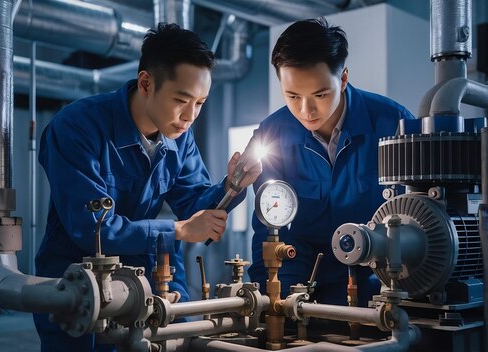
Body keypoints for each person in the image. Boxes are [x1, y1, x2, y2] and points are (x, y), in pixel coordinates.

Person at [33, 23, 261, 351]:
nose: (190, 116)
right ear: (145, 83)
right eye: (182, 100)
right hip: (79, 281)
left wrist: (234, 185)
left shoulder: (179, 139)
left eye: (200, 103)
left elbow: (196, 207)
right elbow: (93, 230)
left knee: (178, 343)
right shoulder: (76, 128)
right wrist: (179, 231)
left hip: (153, 273)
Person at [248, 18, 414, 307]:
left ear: (344, 78)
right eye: (292, 96)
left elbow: (418, 218)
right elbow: (269, 229)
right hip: (299, 280)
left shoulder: (393, 124)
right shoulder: (272, 134)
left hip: (377, 282)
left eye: (321, 94)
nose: (306, 110)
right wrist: (274, 302)